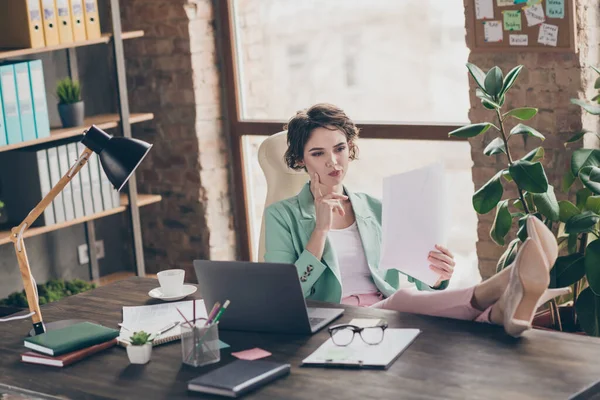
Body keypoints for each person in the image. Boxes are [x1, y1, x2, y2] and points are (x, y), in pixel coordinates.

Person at [264, 103, 569, 337]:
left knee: (407, 299)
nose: (333, 161)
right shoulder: (282, 215)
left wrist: (439, 275)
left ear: (350, 148)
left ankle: (499, 310)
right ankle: (503, 283)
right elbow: (282, 297)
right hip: (338, 321)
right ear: (301, 160)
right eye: (318, 153)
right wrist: (320, 229)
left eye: (340, 148)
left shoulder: (378, 207)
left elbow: (423, 282)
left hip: (389, 314)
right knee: (404, 299)